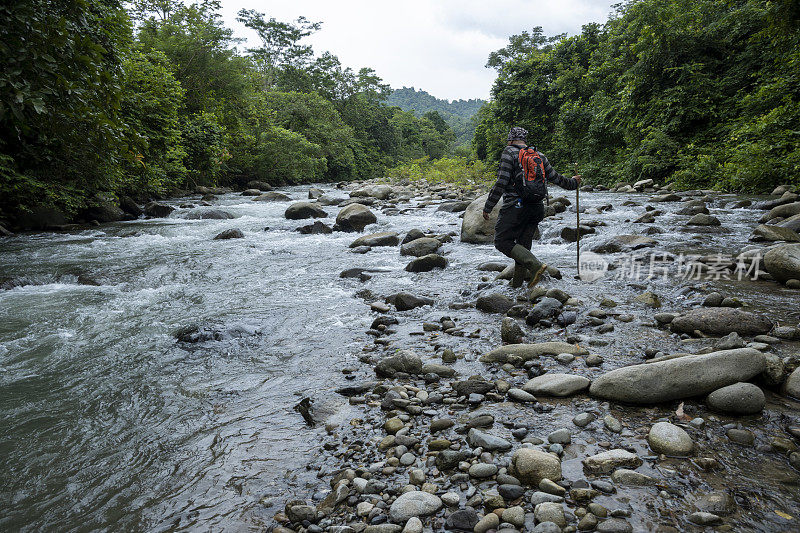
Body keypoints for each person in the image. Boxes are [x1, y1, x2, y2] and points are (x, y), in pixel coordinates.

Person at [482, 126, 581, 288]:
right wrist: (574, 182)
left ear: (511, 139)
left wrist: (488, 206)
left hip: (516, 207)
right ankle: (517, 285)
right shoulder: (539, 156)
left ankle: (535, 265)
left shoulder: (509, 152)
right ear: (524, 139)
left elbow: (502, 181)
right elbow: (556, 178)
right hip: (536, 208)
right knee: (522, 246)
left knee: (501, 241)